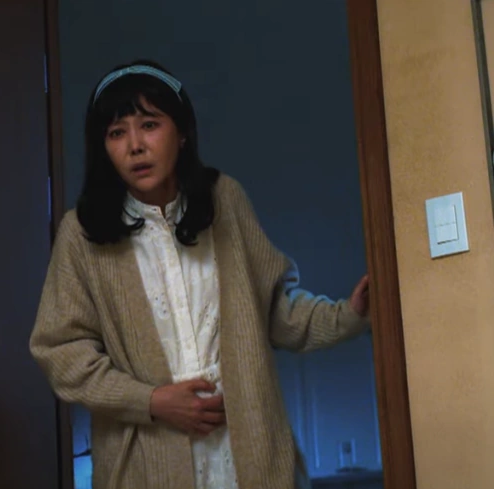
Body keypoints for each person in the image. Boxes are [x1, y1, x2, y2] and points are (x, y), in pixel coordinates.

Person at [28, 60, 372, 489]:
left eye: (149, 125)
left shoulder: (225, 200)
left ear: (182, 132)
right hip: (146, 467)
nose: (135, 146)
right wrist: (152, 402)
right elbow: (60, 352)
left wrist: (349, 314)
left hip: (247, 458)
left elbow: (273, 311)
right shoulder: (81, 233)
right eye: (116, 133)